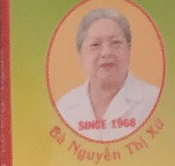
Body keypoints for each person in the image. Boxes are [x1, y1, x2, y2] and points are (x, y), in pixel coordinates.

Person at [55, 7, 159, 140]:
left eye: (116, 43)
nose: (106, 52)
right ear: (80, 53)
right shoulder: (64, 108)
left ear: (129, 49)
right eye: (95, 45)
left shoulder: (153, 101)